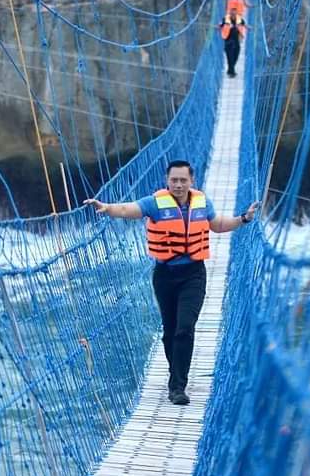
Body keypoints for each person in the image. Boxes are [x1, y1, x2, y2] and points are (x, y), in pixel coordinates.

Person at [84, 161, 257, 405]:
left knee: (185, 327)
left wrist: (244, 219)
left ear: (191, 181)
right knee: (170, 331)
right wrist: (107, 207)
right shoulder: (155, 203)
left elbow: (217, 224)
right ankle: (176, 371)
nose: (178, 184)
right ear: (167, 181)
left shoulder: (202, 203)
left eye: (183, 180)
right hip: (164, 275)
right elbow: (127, 210)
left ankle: (177, 387)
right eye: (174, 180)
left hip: (194, 274)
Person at [219, 10, 246, 77]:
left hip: (237, 42)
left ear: (236, 14)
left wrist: (249, 28)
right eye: (232, 14)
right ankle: (232, 73)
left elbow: (244, 25)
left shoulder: (240, 20)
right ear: (230, 14)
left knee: (236, 56)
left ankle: (230, 70)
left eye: (234, 14)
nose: (233, 15)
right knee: (230, 57)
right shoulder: (225, 19)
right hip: (228, 42)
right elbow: (220, 25)